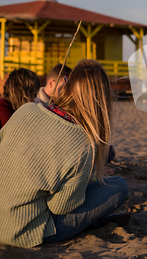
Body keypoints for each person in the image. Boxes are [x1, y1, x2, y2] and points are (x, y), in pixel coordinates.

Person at [0, 60, 129, 248]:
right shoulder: (84, 144)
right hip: (25, 231)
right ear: (101, 100)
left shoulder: (26, 109)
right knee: (119, 186)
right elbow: (60, 207)